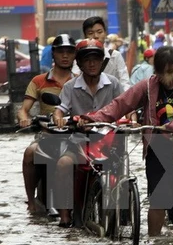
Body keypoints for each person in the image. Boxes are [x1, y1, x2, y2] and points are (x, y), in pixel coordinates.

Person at [78, 46, 173, 236]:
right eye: (162, 71)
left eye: (171, 71)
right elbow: (121, 104)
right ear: (156, 70)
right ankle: (155, 239)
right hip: (157, 151)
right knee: (157, 200)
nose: (167, 76)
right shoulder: (148, 86)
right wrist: (95, 118)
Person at [53, 38, 124, 227]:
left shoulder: (114, 84)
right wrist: (58, 117)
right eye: (87, 59)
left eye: (95, 59)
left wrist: (132, 119)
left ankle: (123, 212)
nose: (92, 64)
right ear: (80, 63)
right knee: (63, 164)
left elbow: (125, 106)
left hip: (110, 142)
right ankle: (65, 214)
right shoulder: (70, 87)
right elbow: (60, 109)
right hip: (79, 142)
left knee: (123, 170)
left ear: (102, 62)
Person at [17, 34, 77, 214]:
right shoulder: (38, 81)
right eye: (61, 52)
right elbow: (24, 108)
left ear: (75, 55)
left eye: (69, 52)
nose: (65, 56)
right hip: (47, 134)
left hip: (74, 134)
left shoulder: (80, 80)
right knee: (29, 153)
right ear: (53, 54)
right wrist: (23, 118)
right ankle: (31, 202)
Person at [72, 16, 131, 91]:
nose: (96, 36)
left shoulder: (115, 56)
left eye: (99, 32)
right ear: (85, 36)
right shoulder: (80, 56)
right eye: (90, 33)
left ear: (105, 33)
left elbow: (125, 82)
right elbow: (75, 75)